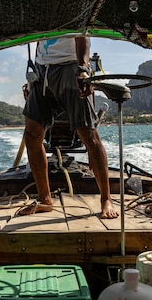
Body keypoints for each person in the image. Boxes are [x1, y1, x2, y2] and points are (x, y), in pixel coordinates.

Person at [21, 36, 119, 219]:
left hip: (71, 66)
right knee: (31, 135)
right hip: (42, 72)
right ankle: (45, 199)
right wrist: (31, 77)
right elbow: (39, 43)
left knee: (88, 135)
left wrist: (83, 70)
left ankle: (106, 199)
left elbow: (82, 35)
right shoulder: (36, 14)